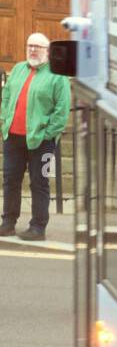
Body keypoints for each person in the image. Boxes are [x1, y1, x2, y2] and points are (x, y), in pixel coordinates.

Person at [1, 33, 72, 242]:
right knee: (10, 180)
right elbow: (6, 97)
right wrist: (4, 120)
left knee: (39, 182)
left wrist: (47, 134)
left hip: (42, 142)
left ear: (48, 51)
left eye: (38, 47)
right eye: (30, 45)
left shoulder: (58, 75)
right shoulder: (17, 69)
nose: (32, 50)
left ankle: (38, 227)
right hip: (13, 138)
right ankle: (8, 223)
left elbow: (62, 111)